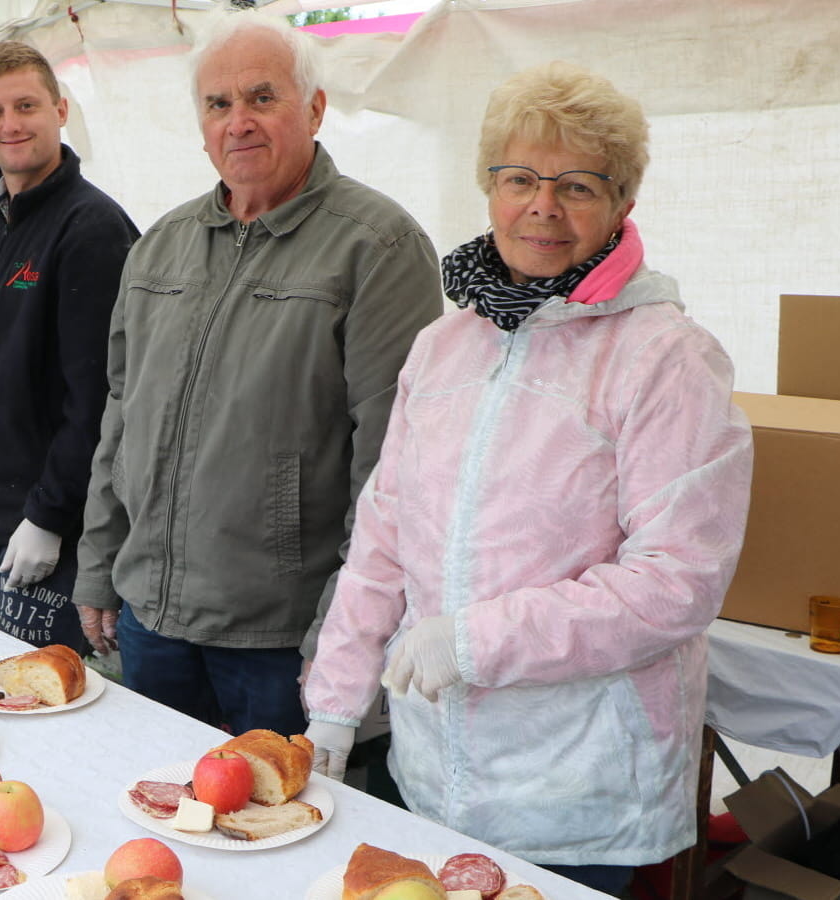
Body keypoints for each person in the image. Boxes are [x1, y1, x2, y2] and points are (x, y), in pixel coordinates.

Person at [302, 62, 755, 896]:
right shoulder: (445, 346)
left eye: (577, 186)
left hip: (576, 796)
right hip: (430, 773)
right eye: (518, 179)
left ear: (623, 202)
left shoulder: (665, 357)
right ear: (489, 188)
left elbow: (675, 583)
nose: (542, 207)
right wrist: (335, 703)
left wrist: (470, 640)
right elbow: (384, 535)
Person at [72, 11, 441, 737]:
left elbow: (395, 469)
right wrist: (99, 564)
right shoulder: (161, 248)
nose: (238, 122)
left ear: (315, 108)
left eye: (262, 97)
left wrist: (342, 634)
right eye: (218, 104)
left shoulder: (376, 247)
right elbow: (121, 414)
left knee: (280, 836)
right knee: (161, 822)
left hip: (278, 640)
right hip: (153, 619)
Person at [0, 41, 138, 649]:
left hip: (45, 534)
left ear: (61, 110)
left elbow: (101, 396)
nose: (10, 124)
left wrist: (48, 515)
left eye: (26, 105)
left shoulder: (91, 228)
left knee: (48, 703)